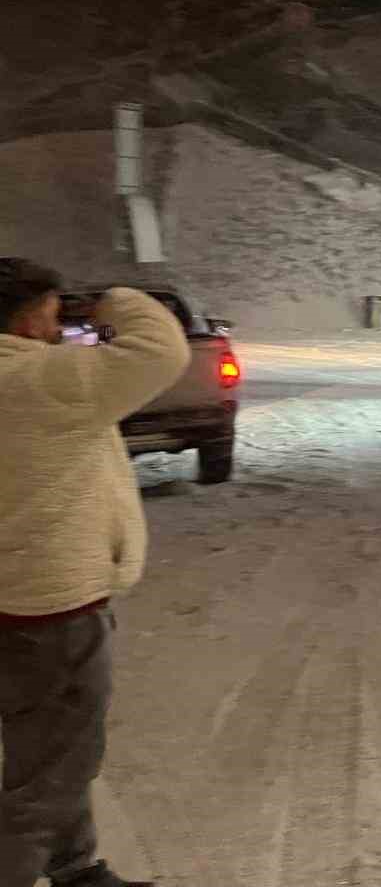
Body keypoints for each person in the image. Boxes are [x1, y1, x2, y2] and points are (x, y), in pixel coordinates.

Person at [0, 261, 191, 887]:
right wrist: (113, 300)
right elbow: (161, 349)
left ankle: (75, 869)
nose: (62, 326)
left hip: (13, 598)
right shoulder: (43, 379)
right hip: (52, 607)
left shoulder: (42, 374)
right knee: (53, 769)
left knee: (43, 748)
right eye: (54, 312)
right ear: (28, 318)